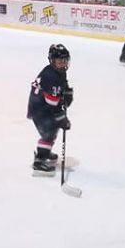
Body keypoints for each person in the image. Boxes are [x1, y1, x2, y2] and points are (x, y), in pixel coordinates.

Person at [28, 44, 73, 175]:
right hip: (40, 109)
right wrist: (61, 118)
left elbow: (62, 85)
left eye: (65, 61)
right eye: (59, 61)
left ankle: (45, 152)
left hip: (45, 106)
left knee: (52, 130)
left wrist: (67, 92)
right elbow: (52, 102)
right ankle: (39, 161)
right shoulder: (50, 76)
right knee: (49, 132)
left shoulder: (59, 71)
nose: (63, 64)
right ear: (52, 61)